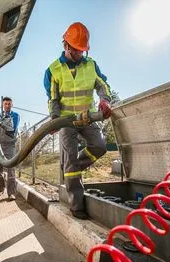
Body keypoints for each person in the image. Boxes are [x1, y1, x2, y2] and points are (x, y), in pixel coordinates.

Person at [43, 22, 112, 219]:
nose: (81, 54)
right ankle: (76, 206)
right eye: (77, 50)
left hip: (88, 117)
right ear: (66, 46)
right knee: (71, 159)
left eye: (83, 50)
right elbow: (53, 98)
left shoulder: (91, 65)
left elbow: (102, 85)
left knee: (99, 146)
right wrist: (55, 120)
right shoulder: (53, 70)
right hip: (66, 122)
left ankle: (71, 168)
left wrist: (105, 100)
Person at [0, 96, 20, 201]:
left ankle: (11, 193)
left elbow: (12, 130)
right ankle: (0, 188)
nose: (7, 106)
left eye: (9, 104)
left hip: (9, 145)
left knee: (11, 169)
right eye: (5, 104)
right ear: (2, 105)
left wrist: (2, 124)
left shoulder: (15, 116)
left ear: (12, 105)